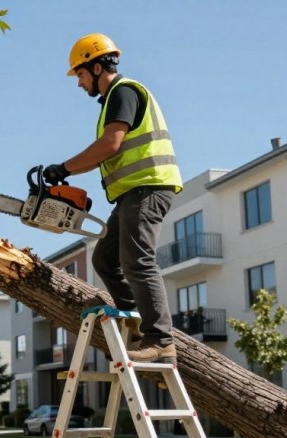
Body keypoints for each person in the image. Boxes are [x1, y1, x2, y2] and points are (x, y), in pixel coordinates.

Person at [42, 33, 183, 363]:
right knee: (104, 258)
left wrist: (63, 168)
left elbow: (110, 145)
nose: (78, 84)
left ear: (95, 66)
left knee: (138, 261)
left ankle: (161, 340)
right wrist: (66, 173)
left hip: (148, 188)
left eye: (79, 74)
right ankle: (133, 319)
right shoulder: (112, 102)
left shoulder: (124, 92)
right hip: (131, 194)